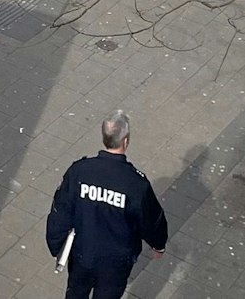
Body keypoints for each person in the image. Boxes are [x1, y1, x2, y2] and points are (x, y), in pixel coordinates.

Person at [44, 111, 168, 299]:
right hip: (115, 262)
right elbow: (151, 219)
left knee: (76, 293)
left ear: (104, 138)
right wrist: (158, 245)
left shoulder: (80, 171)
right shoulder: (136, 184)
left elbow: (61, 210)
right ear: (125, 141)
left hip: (82, 253)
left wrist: (56, 243)